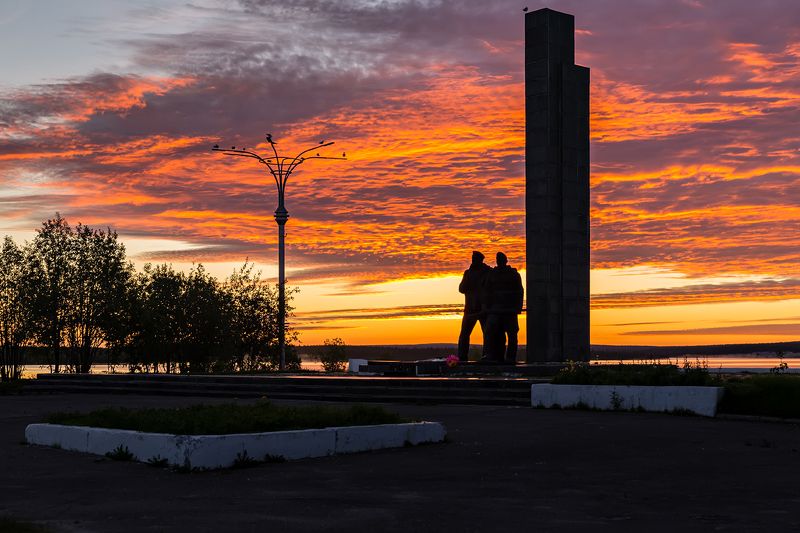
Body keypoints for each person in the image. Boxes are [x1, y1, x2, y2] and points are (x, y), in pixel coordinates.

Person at [483, 252, 524, 363]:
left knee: (512, 334)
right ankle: (491, 355)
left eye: (501, 259)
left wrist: (518, 307)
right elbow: (487, 291)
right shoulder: (492, 274)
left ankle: (511, 357)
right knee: (491, 332)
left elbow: (520, 291)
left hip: (509, 310)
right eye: (497, 259)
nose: (499, 261)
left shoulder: (513, 274)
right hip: (495, 309)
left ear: (506, 261)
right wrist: (486, 306)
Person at [457, 251, 492, 362]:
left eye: (475, 258)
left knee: (487, 334)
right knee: (464, 335)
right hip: (470, 309)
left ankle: (486, 356)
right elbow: (461, 289)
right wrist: (468, 277)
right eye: (472, 258)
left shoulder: (488, 272)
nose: (473, 260)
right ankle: (462, 357)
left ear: (480, 260)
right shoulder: (468, 273)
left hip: (483, 309)